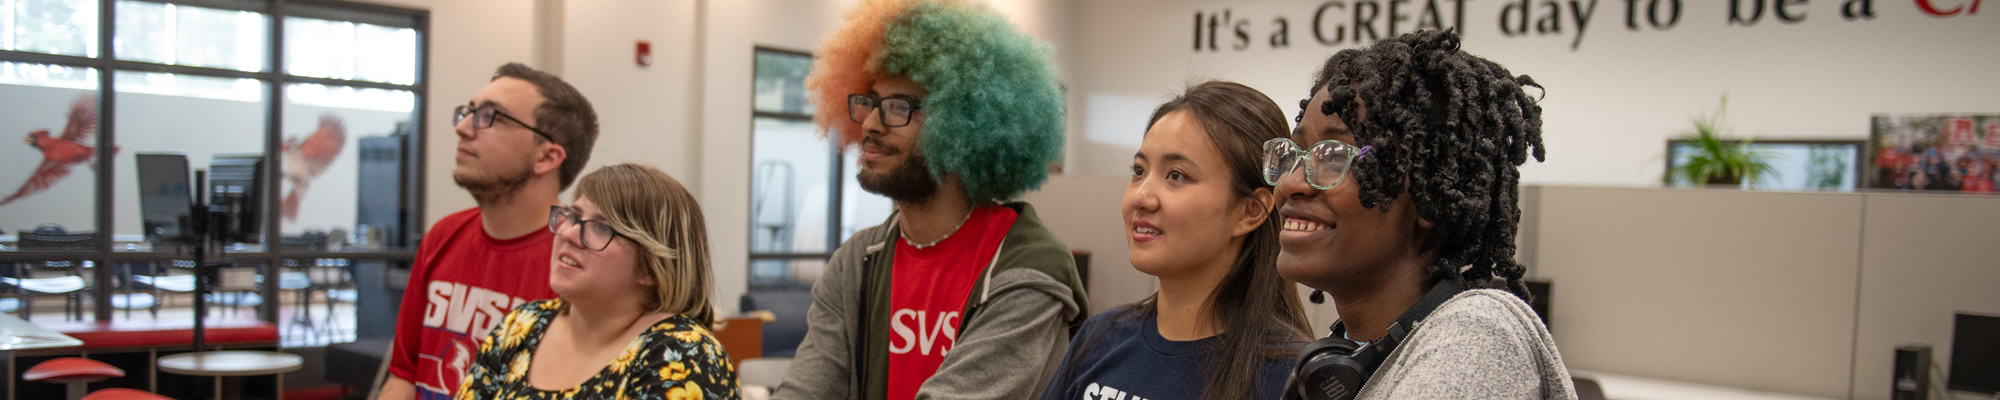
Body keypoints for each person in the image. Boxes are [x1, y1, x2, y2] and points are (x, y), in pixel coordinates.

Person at [775, 0, 1087, 399]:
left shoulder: (1028, 268)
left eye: (898, 107)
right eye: (870, 102)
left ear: (962, 125)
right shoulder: (858, 261)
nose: (871, 124)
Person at [1272, 30, 1575, 399]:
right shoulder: (1373, 353)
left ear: (1427, 192)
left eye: (1334, 155)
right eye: (1296, 154)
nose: (1291, 183)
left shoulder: (1473, 340)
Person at [1041, 81, 1314, 400]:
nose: (1141, 197)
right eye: (1139, 170)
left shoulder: (1291, 378)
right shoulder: (1099, 337)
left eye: (1177, 175)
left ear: (1249, 212)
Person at [382, 63, 601, 400]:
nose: (463, 128)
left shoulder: (578, 261)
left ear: (546, 157)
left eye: (491, 117)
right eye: (468, 112)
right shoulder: (444, 235)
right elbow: (404, 375)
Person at [455, 163, 736, 400]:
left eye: (601, 228)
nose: (568, 234)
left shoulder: (682, 354)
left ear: (651, 268)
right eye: (573, 216)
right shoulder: (523, 324)